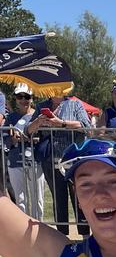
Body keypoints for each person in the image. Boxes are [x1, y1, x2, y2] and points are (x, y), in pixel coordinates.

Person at [25, 93, 91, 236]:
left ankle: (86, 238)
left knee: (79, 198)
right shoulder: (41, 106)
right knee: (58, 199)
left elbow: (86, 126)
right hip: (50, 160)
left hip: (73, 160)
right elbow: (27, 131)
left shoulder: (75, 104)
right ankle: (63, 238)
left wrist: (61, 123)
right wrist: (37, 122)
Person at [2, 83, 44, 219]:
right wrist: (13, 140)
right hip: (15, 162)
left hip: (35, 161)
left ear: (32, 98)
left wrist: (33, 138)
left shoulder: (38, 116)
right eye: (20, 96)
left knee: (37, 199)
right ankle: (23, 235)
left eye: (27, 96)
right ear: (15, 98)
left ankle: (39, 231)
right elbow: (4, 139)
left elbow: (44, 137)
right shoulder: (11, 118)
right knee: (20, 200)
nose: (24, 100)